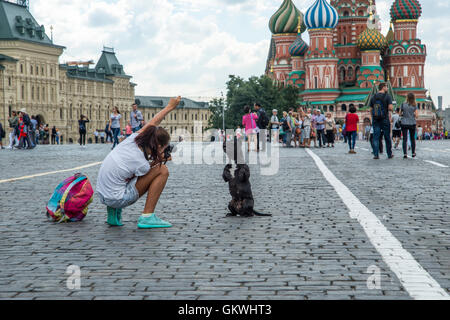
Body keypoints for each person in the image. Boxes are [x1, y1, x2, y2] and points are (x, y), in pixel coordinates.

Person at [96, 96, 181, 229]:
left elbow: (153, 123)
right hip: (117, 198)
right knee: (162, 170)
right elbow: (148, 173)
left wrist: (169, 107)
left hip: (103, 193)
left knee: (121, 177)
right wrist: (160, 161)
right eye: (164, 148)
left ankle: (113, 212)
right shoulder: (141, 162)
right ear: (158, 147)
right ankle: (147, 216)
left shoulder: (133, 139)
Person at [370, 82, 394, 160]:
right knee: (387, 137)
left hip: (375, 119)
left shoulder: (373, 97)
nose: (387, 88)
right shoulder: (387, 96)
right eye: (386, 87)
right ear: (383, 87)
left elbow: (370, 109)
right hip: (384, 119)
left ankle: (376, 154)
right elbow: (390, 108)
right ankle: (389, 154)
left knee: (376, 137)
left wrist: (374, 116)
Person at [400, 93, 419, 159]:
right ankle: (413, 152)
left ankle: (405, 153)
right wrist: (412, 115)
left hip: (404, 123)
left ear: (407, 97)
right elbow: (417, 116)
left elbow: (400, 113)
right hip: (412, 123)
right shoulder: (415, 105)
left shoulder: (403, 104)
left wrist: (404, 115)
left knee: (404, 139)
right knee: (412, 138)